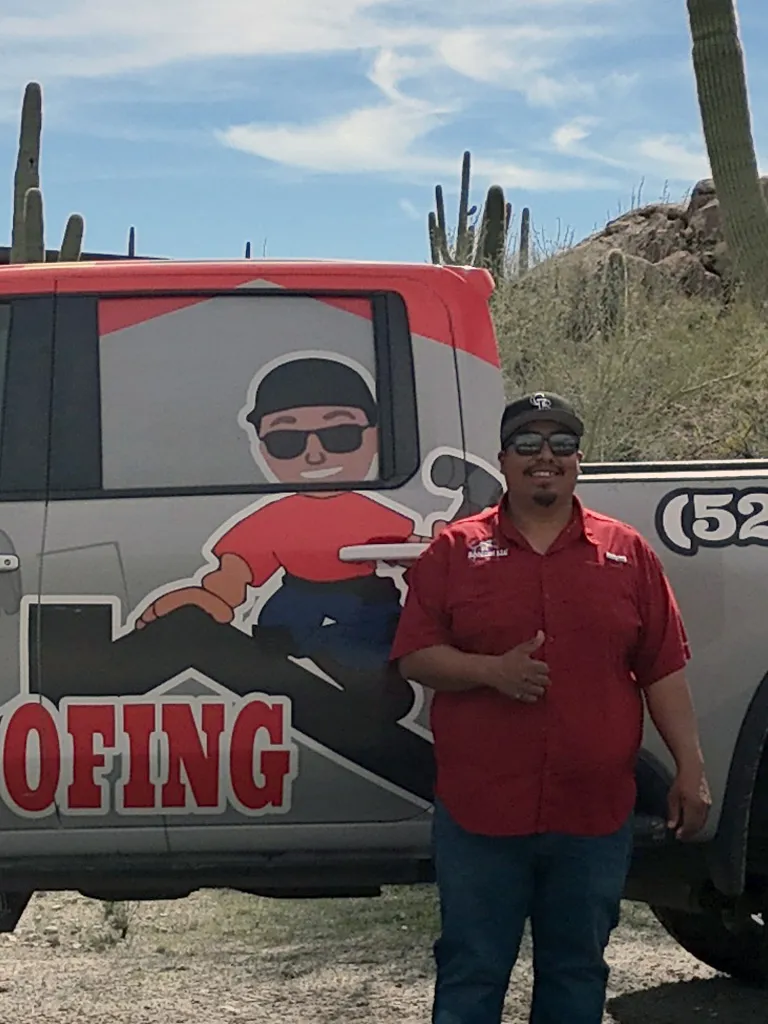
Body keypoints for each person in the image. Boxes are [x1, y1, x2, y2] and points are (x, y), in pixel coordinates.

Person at [390, 391, 712, 1024]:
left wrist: (691, 769)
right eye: (529, 445)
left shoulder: (627, 554)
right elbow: (415, 657)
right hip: (482, 812)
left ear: (578, 460)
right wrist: (492, 673)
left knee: (576, 972)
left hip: (591, 815)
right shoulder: (453, 551)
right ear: (503, 460)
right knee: (472, 970)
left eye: (561, 445)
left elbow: (663, 668)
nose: (546, 458)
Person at [137, 355, 438, 670]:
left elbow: (413, 550)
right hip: (295, 600)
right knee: (273, 641)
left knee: (372, 642)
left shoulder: (378, 512)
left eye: (339, 435)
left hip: (365, 599)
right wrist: (211, 598)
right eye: (286, 441)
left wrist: (443, 547)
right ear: (262, 446)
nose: (314, 454)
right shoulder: (272, 518)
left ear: (375, 435)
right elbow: (237, 570)